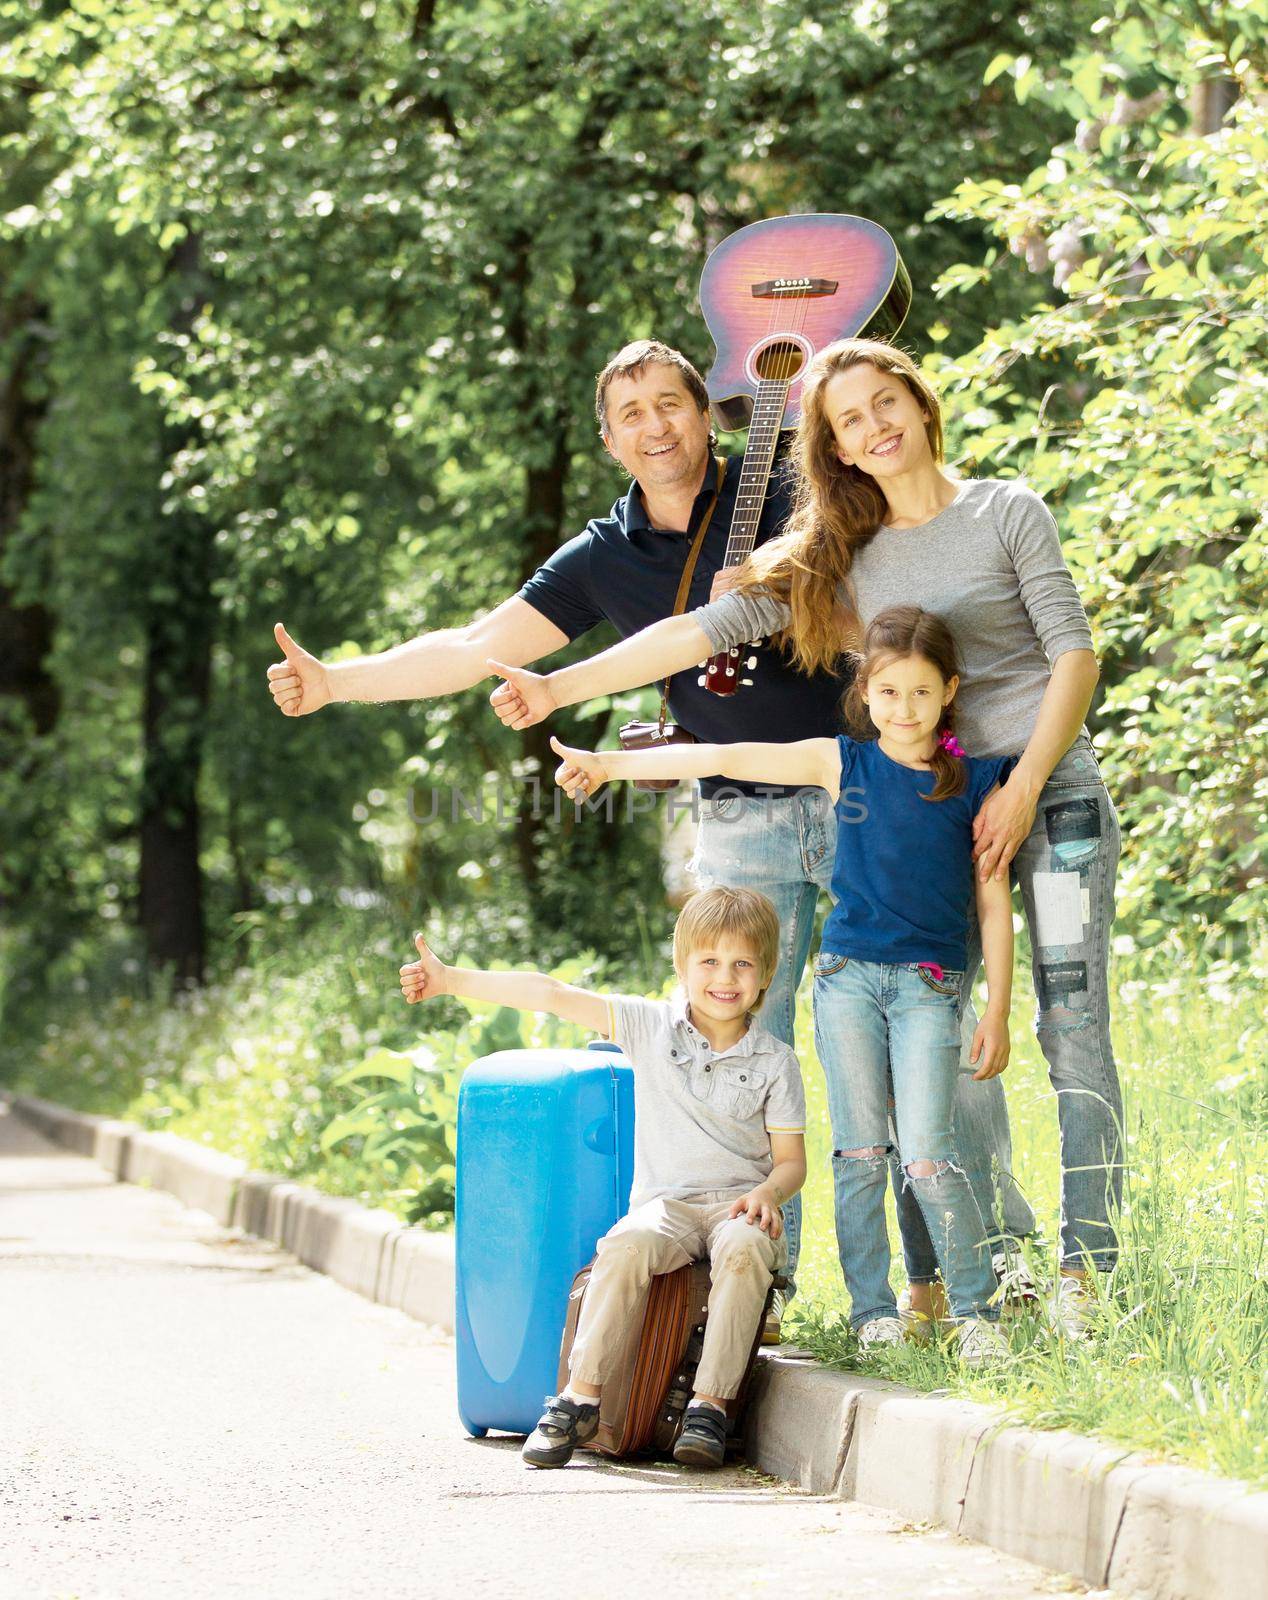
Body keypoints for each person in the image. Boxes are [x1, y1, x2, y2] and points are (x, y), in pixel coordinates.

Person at [489, 335, 1120, 1340]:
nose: (873, 427)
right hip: (945, 822)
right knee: (951, 1052)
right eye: (846, 422)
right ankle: (982, 1276)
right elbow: (698, 631)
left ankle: (1091, 1276)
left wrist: (1025, 785)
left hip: (1054, 806)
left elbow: (1072, 656)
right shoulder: (839, 558)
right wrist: (558, 687)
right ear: (829, 449)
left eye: (884, 403)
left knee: (1072, 1034)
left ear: (917, 400)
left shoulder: (1006, 510)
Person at [267, 337, 857, 1323]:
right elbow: (471, 648)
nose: (654, 425)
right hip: (737, 817)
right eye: (630, 414)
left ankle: (913, 1296)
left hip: (857, 786)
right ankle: (755, 1291)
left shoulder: (779, 490)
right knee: (732, 1046)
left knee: (881, 1033)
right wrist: (338, 681)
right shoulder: (603, 556)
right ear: (608, 439)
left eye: (669, 403)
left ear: (705, 411)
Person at [547, 607, 1014, 1359]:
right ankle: (872, 1315)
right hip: (848, 983)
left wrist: (998, 1006)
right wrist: (608, 767)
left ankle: (975, 1311)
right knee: (859, 1155)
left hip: (931, 986)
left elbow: (993, 906)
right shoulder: (842, 762)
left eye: (922, 694)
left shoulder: (979, 782)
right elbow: (727, 755)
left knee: (929, 1155)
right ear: (866, 692)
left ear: (949, 692)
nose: (904, 709)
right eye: (888, 693)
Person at [398, 885, 807, 1468]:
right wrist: (451, 980)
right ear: (683, 966)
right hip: (666, 1207)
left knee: (744, 1251)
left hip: (740, 1207)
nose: (725, 977)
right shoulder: (649, 1027)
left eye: (742, 963)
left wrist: (769, 1192)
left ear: (765, 973)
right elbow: (550, 993)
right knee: (622, 1245)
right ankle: (577, 1399)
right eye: (710, 961)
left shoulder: (775, 1062)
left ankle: (709, 1408)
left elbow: (792, 1161)